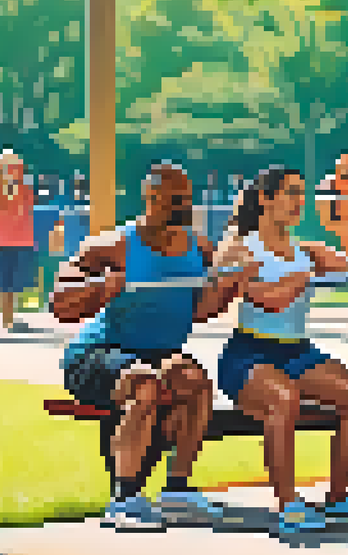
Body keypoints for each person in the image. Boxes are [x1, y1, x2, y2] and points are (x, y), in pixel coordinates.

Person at [51, 163, 249, 530]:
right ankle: (124, 500)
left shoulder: (200, 248)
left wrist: (227, 287)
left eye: (188, 201)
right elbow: (59, 303)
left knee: (196, 382)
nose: (183, 209)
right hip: (100, 352)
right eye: (175, 201)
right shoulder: (112, 246)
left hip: (159, 353)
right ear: (150, 198)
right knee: (144, 383)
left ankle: (177, 489)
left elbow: (201, 310)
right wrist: (98, 288)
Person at [212, 166, 348, 534]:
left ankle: (338, 499)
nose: (298, 202)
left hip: (297, 352)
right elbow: (265, 300)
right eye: (290, 193)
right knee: (284, 400)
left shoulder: (306, 250)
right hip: (249, 354)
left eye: (301, 193)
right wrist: (302, 277)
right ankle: (289, 505)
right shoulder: (240, 247)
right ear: (265, 198)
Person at [0, 150, 37, 332]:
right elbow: (1, 205)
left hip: (22, 239)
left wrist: (15, 184)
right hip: (5, 239)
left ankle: (10, 318)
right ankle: (7, 319)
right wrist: (8, 182)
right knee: (4, 281)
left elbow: (25, 206)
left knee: (15, 283)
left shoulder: (24, 184)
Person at [317, 152, 348, 260]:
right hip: (333, 225)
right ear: (339, 164)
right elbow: (323, 208)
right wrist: (333, 223)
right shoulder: (329, 182)